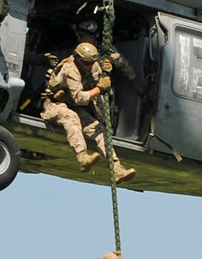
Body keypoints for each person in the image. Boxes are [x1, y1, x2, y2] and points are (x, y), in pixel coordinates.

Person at [40, 42, 135, 182]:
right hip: (55, 105)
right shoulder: (70, 69)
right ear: (78, 58)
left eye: (91, 63)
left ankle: (116, 168)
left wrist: (106, 73)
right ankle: (82, 157)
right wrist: (100, 88)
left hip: (74, 106)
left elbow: (98, 81)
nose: (89, 66)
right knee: (71, 117)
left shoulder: (93, 65)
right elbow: (80, 98)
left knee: (99, 130)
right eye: (86, 63)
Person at [74, 16, 147, 95]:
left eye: (88, 37)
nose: (83, 40)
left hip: (101, 92)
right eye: (81, 36)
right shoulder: (75, 52)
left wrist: (134, 80)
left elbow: (122, 63)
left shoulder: (105, 51)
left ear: (95, 37)